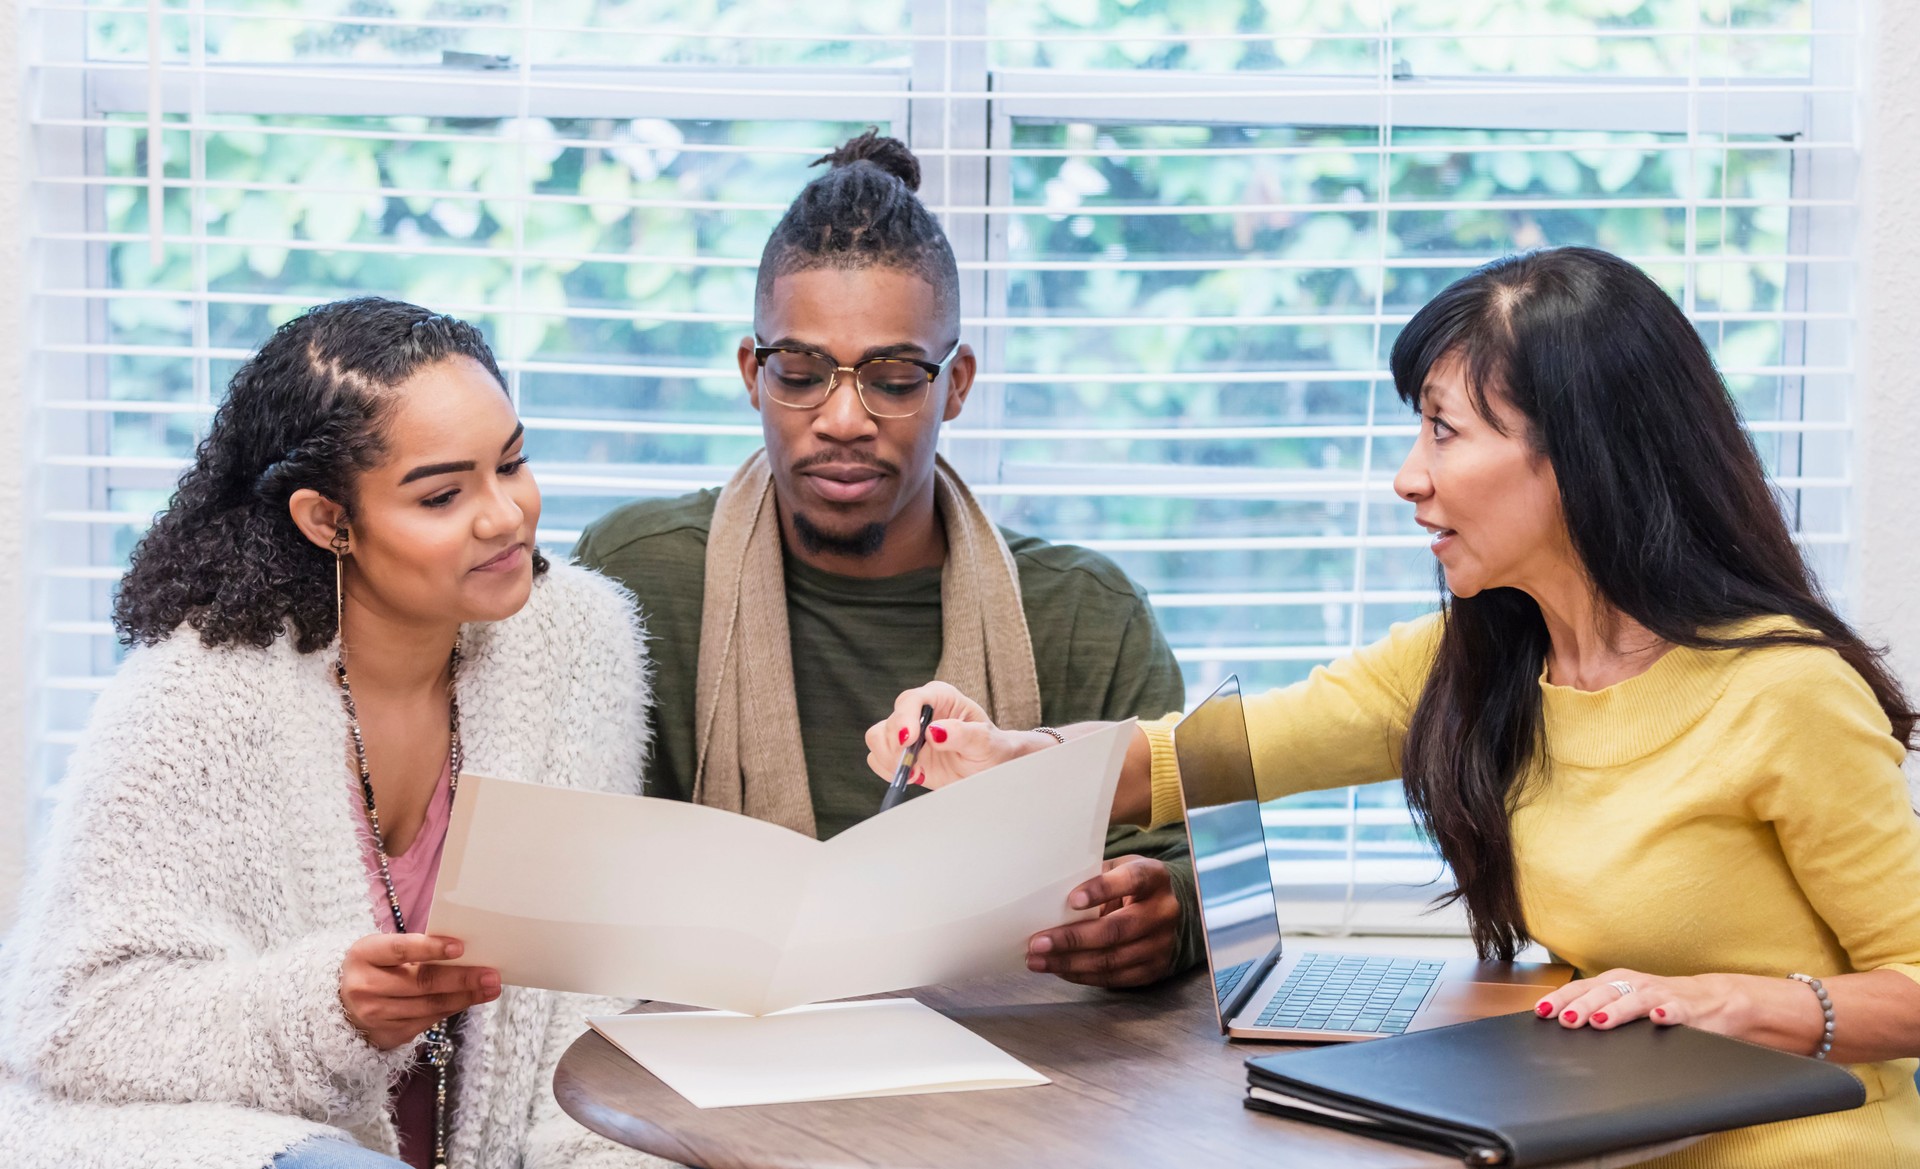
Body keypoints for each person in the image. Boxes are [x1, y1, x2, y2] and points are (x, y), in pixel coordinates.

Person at [868, 247, 1920, 1166]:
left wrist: (1740, 1002)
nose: (1408, 477)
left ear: (1578, 456)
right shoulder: (1478, 661)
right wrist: (1010, 756)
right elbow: (1205, 757)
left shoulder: (1783, 691)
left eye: (1444, 431)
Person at [0, 300, 672, 1169]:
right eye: (442, 494)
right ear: (328, 520)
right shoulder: (192, 699)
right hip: (238, 1142)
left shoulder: (577, 640)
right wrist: (328, 1009)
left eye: (512, 463)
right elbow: (72, 1019)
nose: (506, 515)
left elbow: (582, 983)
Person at [575, 129, 1203, 989]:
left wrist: (1166, 914)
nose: (841, 419)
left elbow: (1192, 868)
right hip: (700, 1069)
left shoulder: (1085, 615)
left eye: (894, 376)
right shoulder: (637, 578)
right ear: (751, 375)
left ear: (958, 383)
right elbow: (572, 871)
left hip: (1012, 1086)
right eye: (799, 370)